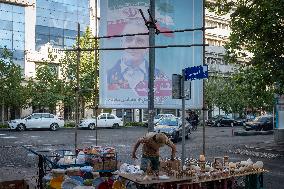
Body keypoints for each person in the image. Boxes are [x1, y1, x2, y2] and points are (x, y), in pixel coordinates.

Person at [107, 22, 167, 91]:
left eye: (140, 41)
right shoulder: (107, 75)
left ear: (147, 47)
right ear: (121, 43)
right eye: (129, 39)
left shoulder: (160, 76)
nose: (133, 45)